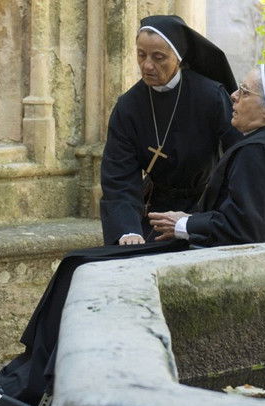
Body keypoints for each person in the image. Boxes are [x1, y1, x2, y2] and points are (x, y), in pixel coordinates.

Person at [0, 63, 265, 406]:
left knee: (84, 267)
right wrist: (188, 222)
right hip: (206, 248)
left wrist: (185, 224)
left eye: (244, 92)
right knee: (79, 264)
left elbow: (246, 229)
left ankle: (37, 387)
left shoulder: (256, 152)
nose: (234, 98)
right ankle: (29, 380)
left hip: (205, 254)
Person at [99, 15, 241, 246]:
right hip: (155, 212)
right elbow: (118, 176)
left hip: (205, 208)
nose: (147, 65)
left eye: (158, 57)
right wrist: (127, 230)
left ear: (179, 58)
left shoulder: (211, 96)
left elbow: (239, 155)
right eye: (141, 55)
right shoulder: (128, 106)